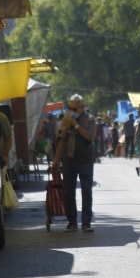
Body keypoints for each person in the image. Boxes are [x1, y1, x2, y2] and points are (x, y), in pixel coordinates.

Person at [51, 94, 97, 232]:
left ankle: (86, 223)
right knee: (69, 194)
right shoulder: (66, 120)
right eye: (70, 108)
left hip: (85, 161)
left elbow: (89, 137)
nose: (72, 111)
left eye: (75, 109)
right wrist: (56, 161)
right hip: (69, 162)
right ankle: (72, 222)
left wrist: (76, 125)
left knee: (86, 193)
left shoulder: (90, 120)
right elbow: (61, 141)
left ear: (82, 108)